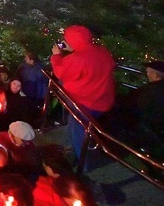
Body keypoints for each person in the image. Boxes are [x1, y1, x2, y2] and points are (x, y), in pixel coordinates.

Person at [50, 25, 116, 161]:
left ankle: (82, 163)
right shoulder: (102, 51)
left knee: (77, 127)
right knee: (79, 124)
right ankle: (76, 146)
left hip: (83, 102)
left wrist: (56, 56)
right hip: (103, 99)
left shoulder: (76, 59)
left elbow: (60, 72)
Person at [133, 60, 164, 158]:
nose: (147, 75)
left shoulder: (150, 92)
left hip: (157, 130)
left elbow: (142, 113)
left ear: (155, 75)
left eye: (148, 72)